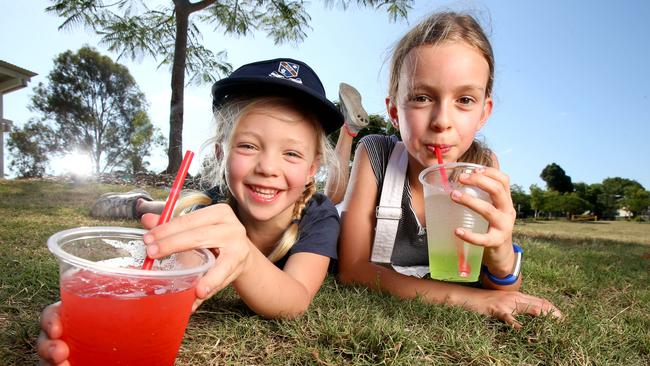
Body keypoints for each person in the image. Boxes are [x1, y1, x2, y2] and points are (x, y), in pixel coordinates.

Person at [38, 58, 345, 364]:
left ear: (311, 170)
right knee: (179, 208)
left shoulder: (319, 214)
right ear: (220, 153)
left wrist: (244, 255)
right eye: (248, 146)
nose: (267, 167)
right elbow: (173, 279)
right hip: (205, 202)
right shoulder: (211, 207)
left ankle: (141, 202)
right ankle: (138, 203)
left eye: (291, 153)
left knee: (182, 206)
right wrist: (94, 307)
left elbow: (295, 299)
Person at [337, 11, 562, 328]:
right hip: (342, 215)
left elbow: (502, 288)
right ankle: (348, 129)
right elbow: (352, 269)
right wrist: (474, 300)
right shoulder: (375, 154)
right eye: (421, 97)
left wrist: (500, 249)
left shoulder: (483, 170)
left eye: (465, 99)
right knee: (332, 200)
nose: (442, 120)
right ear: (394, 111)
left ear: (484, 112)